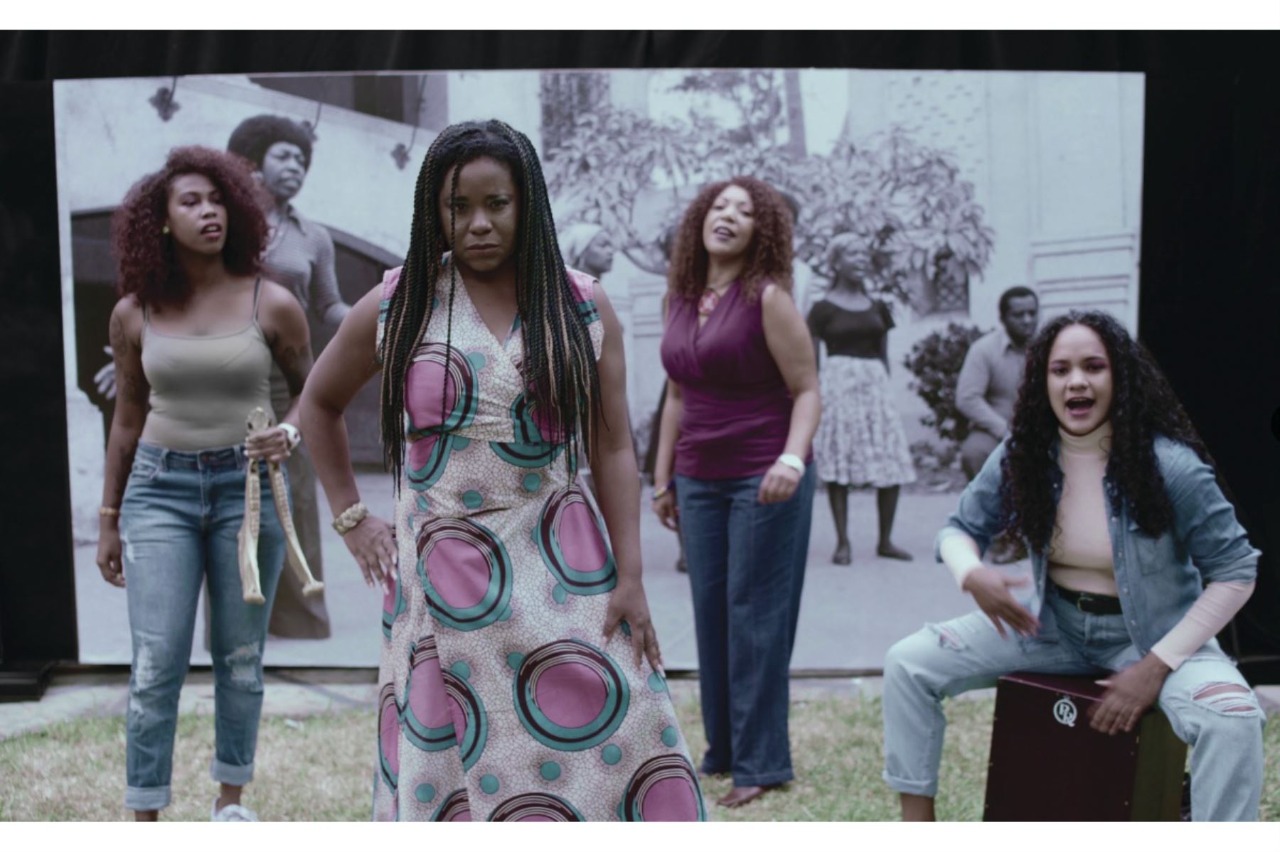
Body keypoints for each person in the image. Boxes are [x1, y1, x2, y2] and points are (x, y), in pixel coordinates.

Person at [298, 119, 705, 822]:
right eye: (458, 207)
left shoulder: (581, 303)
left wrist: (631, 575)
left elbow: (611, 446)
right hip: (441, 561)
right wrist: (352, 517)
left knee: (614, 713)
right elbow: (318, 403)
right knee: (451, 738)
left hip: (559, 550)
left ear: (528, 203)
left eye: (497, 204)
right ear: (435, 212)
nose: (479, 224)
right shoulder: (401, 300)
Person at [882, 310, 1264, 822]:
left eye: (1093, 367)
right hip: (1049, 628)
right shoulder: (1024, 454)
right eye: (1060, 370)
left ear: (1121, 378)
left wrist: (1155, 667)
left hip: (1155, 638)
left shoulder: (1172, 466)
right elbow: (958, 529)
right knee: (908, 664)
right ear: (1043, 384)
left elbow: (1236, 571)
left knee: (1233, 718)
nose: (1076, 381)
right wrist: (971, 573)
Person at [95, 146, 312, 821]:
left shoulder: (272, 302)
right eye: (190, 202)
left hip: (247, 493)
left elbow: (316, 397)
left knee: (240, 658)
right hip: (158, 490)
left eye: (217, 200)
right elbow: (127, 417)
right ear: (161, 220)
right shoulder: (134, 313)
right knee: (157, 661)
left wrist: (290, 433)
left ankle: (230, 803)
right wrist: (108, 518)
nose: (208, 212)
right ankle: (145, 812)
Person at [653, 176, 821, 808]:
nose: (728, 215)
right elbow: (676, 396)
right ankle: (722, 750)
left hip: (764, 475)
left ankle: (761, 763)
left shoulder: (768, 298)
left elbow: (807, 390)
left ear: (761, 231)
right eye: (719, 205)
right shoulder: (678, 298)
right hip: (698, 477)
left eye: (745, 211)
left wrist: (791, 460)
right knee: (712, 612)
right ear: (701, 218)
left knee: (756, 615)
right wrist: (662, 477)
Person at [227, 113, 347, 639]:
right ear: (252, 162)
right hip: (226, 368)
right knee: (234, 491)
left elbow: (330, 305)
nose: (296, 165)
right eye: (284, 155)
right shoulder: (225, 224)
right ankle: (239, 615)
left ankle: (298, 619)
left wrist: (383, 317)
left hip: (292, 371)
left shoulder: (315, 236)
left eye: (302, 158)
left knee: (294, 489)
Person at [806, 233, 916, 565]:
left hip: (874, 387)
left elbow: (883, 355)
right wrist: (816, 396)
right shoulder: (822, 309)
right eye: (852, 254)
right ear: (836, 262)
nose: (861, 259)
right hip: (838, 386)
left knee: (890, 459)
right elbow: (811, 360)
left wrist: (883, 393)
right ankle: (843, 541)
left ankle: (886, 540)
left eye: (864, 254)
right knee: (840, 461)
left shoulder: (878, 306)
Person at [955, 286, 1038, 480]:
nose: (1027, 320)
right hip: (996, 431)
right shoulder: (983, 350)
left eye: (1032, 313)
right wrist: (1004, 430)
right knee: (975, 452)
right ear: (1003, 318)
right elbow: (967, 398)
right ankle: (987, 500)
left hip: (1042, 429)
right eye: (1018, 315)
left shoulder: (1052, 346)